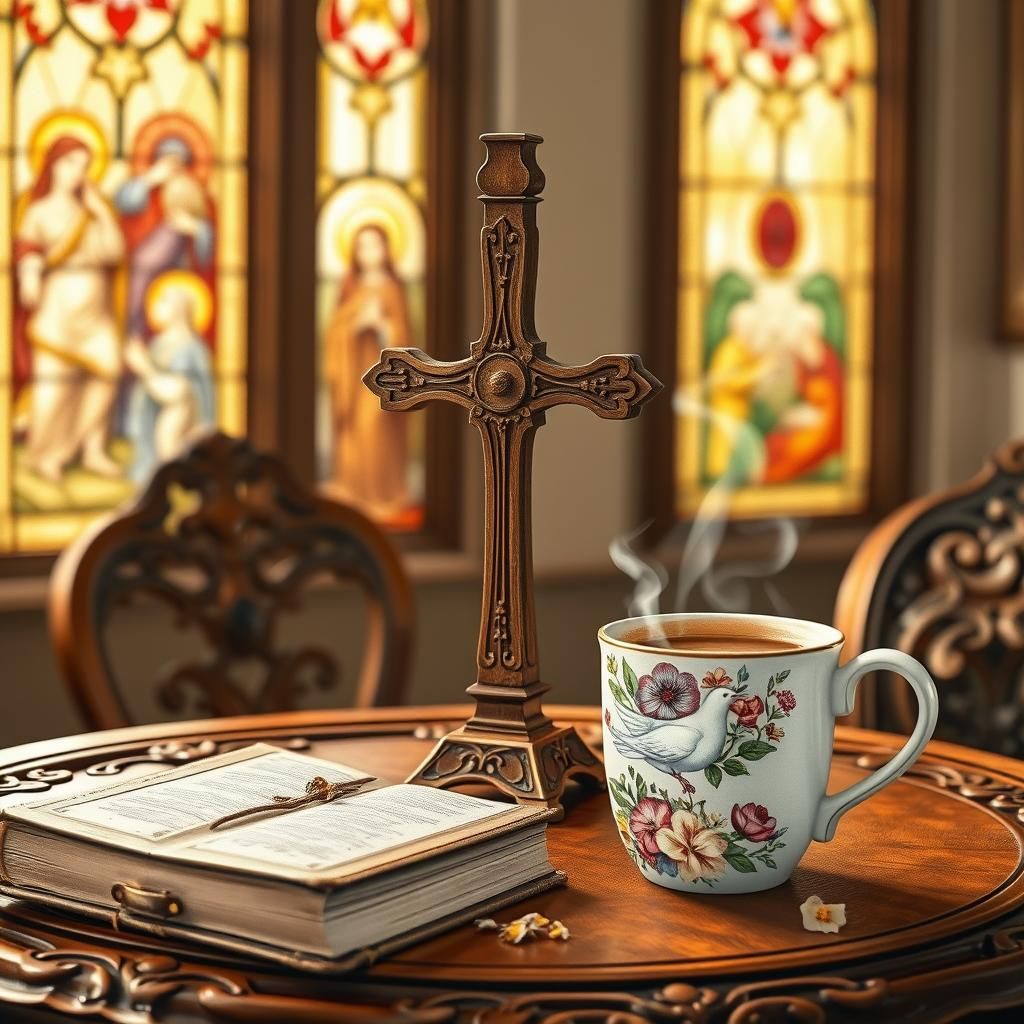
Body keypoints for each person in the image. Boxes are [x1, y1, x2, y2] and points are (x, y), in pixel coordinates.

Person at [14, 135, 125, 481]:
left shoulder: (91, 213)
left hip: (96, 312)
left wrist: (102, 213)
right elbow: (28, 249)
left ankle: (91, 449)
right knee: (55, 387)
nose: (79, 172)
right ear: (53, 165)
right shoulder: (39, 211)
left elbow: (114, 253)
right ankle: (48, 454)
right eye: (71, 163)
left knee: (108, 371)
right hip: (57, 311)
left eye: (84, 165)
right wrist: (29, 273)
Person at [323, 223, 413, 515]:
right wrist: (356, 326)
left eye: (375, 245)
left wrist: (382, 326)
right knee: (353, 437)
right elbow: (334, 333)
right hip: (352, 378)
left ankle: (383, 496)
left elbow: (404, 337)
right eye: (362, 246)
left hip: (383, 378)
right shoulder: (350, 288)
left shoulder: (392, 288)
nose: (369, 252)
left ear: (386, 249)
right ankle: (353, 492)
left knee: (375, 430)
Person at [115, 135, 213, 342]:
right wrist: (149, 179)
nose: (172, 167)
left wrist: (195, 228)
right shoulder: (145, 187)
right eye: (168, 161)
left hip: (178, 268)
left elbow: (206, 237)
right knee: (142, 270)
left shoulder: (190, 189)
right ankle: (134, 331)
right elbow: (123, 203)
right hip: (141, 264)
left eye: (178, 162)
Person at [123, 272, 215, 483]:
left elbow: (178, 391)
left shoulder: (190, 348)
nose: (154, 308)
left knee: (170, 471)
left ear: (177, 309)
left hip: (180, 430)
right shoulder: (159, 344)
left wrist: (143, 366)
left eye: (161, 302)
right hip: (153, 426)